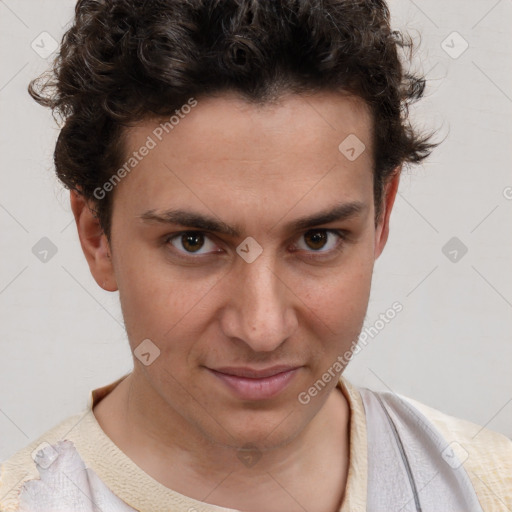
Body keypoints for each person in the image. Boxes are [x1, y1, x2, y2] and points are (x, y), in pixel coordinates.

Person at [1, 0, 510, 511]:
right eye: (193, 242)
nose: (262, 329)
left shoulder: (490, 488)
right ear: (97, 239)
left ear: (382, 216)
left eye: (317, 239)